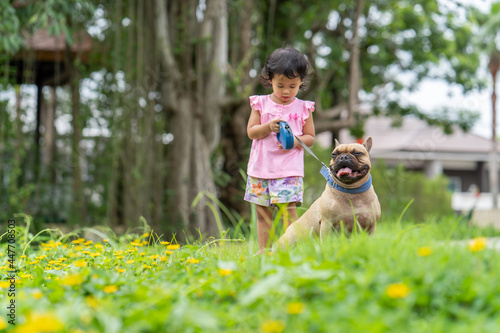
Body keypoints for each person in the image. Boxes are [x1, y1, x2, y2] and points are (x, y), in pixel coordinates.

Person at [245, 46, 315, 252]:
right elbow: (251, 132)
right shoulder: (260, 104)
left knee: (288, 212)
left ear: (301, 81)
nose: (286, 91)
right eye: (280, 85)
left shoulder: (304, 108)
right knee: (263, 214)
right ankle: (264, 251)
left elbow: (310, 137)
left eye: (292, 86)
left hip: (288, 171)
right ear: (269, 78)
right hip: (260, 169)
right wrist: (267, 127)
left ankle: (292, 250)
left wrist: (294, 141)